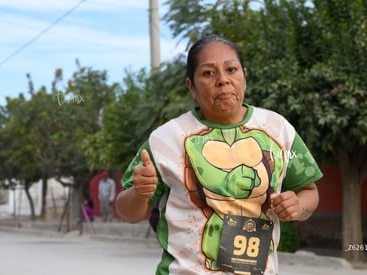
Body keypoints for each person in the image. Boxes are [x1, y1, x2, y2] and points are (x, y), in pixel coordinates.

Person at [116, 35, 323, 275]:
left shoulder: (277, 129)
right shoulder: (166, 139)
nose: (223, 80)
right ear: (191, 86)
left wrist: (298, 206)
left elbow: (309, 192)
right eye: (208, 73)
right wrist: (140, 194)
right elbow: (128, 213)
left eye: (231, 69)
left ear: (244, 75)